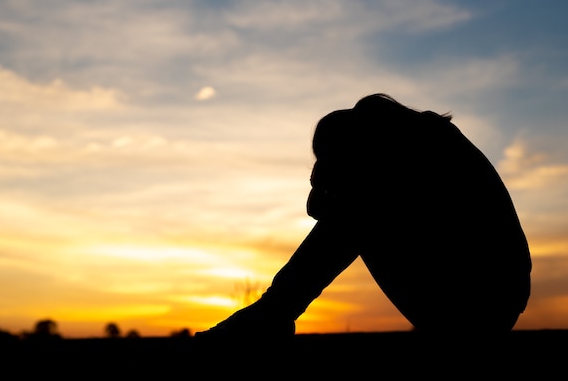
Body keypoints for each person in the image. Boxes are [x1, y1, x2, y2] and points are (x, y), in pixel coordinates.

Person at [195, 93, 531, 339]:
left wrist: (326, 180)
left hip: (479, 301)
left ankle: (272, 313)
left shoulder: (412, 154)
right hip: (486, 297)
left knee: (354, 217)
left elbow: (328, 213)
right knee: (354, 215)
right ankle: (273, 312)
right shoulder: (414, 141)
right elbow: (320, 210)